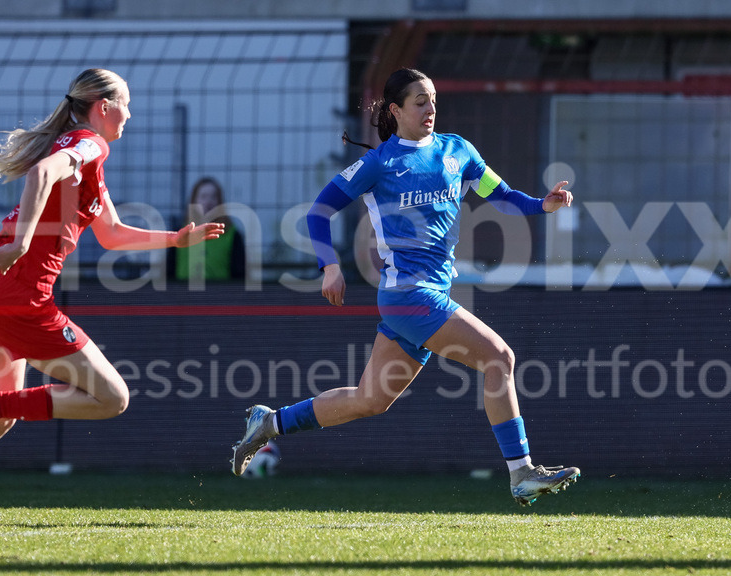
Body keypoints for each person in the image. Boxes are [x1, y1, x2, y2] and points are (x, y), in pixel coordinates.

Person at [0, 68, 224, 537]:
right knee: (112, 398)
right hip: (16, 287)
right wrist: (20, 245)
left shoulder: (83, 154)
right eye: (126, 103)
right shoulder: (89, 144)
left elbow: (113, 234)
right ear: (103, 106)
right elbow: (40, 173)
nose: (129, 114)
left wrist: (175, 241)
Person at [231, 68, 579, 507]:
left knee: (370, 399)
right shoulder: (380, 163)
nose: (430, 109)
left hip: (428, 296)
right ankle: (522, 473)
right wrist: (330, 266)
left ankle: (271, 423)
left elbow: (502, 195)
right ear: (395, 111)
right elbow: (318, 212)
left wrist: (541, 205)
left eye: (433, 99)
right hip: (408, 296)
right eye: (419, 101)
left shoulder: (458, 151)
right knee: (499, 357)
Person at [175, 177, 245, 281]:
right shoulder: (179, 233)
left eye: (213, 197)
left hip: (219, 294)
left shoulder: (233, 235)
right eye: (203, 196)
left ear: (220, 202)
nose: (208, 202)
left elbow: (239, 274)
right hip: (183, 294)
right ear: (194, 200)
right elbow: (169, 270)